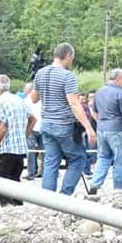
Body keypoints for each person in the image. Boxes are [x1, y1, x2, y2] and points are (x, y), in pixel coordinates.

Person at [30, 42, 96, 196]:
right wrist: (88, 126)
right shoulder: (67, 76)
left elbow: (33, 98)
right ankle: (64, 196)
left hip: (46, 123)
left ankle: (48, 199)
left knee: (51, 162)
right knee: (78, 158)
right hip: (64, 125)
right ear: (68, 56)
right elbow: (74, 103)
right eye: (72, 58)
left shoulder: (41, 73)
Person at [0, 74, 36, 206]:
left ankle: (7, 207)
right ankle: (18, 205)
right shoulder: (19, 99)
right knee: (15, 179)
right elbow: (33, 120)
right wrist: (24, 135)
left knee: (0, 180)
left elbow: (2, 128)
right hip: (21, 149)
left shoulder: (0, 102)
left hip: (8, 148)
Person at [88, 69, 122, 193]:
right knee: (120, 160)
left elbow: (95, 112)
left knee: (103, 157)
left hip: (102, 129)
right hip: (118, 130)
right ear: (118, 78)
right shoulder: (120, 93)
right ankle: (119, 188)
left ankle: (95, 183)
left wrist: (101, 123)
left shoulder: (99, 92)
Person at [24, 82, 44, 180]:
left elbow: (26, 117)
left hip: (31, 128)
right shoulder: (42, 99)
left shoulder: (26, 101)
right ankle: (43, 172)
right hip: (42, 128)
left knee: (31, 152)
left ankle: (31, 173)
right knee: (44, 152)